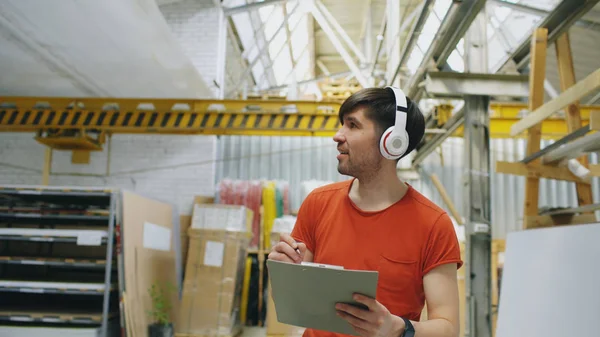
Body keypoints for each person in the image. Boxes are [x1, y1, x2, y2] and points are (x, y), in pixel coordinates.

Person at [268, 86, 463, 337]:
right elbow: (294, 302)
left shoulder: (433, 224)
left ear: (392, 141)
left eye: (352, 125)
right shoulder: (318, 204)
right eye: (342, 124)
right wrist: (283, 274)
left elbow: (448, 328)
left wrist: (398, 328)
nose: (338, 136)